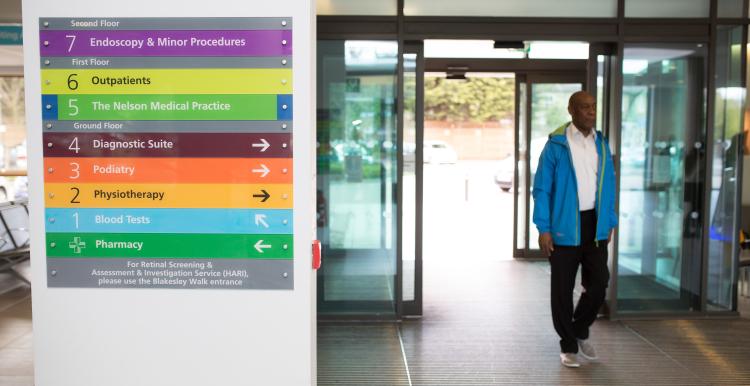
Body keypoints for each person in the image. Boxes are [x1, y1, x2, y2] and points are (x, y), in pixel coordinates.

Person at [532, 91, 617, 368]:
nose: (591, 112)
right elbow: (542, 189)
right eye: (584, 107)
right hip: (564, 226)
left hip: (595, 227)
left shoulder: (601, 144)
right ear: (571, 110)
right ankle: (568, 345)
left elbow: (610, 187)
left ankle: (579, 329)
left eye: (593, 107)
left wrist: (610, 221)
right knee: (562, 289)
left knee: (599, 284)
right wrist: (543, 228)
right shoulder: (556, 145)